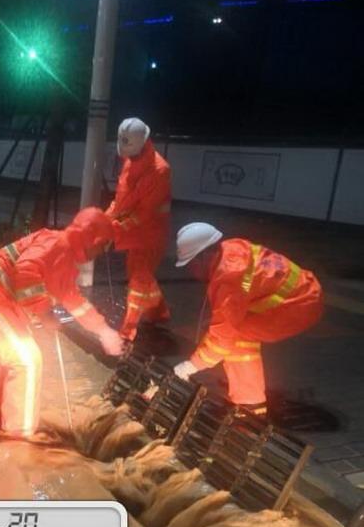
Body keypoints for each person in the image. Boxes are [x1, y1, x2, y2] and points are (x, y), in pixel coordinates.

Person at [0, 208, 125, 438]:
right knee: (27, 360)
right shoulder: (56, 244)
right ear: (92, 239)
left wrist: (104, 331)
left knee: (14, 357)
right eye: (103, 245)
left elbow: (74, 300)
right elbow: (26, 272)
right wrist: (45, 313)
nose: (102, 252)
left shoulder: (64, 255)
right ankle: (19, 435)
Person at [173, 222, 323, 416]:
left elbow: (222, 339)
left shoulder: (228, 280)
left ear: (204, 255)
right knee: (226, 329)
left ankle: (249, 406)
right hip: (305, 292)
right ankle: (242, 384)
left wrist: (192, 365)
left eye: (191, 264)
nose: (191, 271)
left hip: (298, 307)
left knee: (237, 339)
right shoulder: (232, 249)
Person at [105, 117, 172, 341]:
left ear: (143, 143)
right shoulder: (131, 159)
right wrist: (106, 219)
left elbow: (144, 212)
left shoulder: (160, 170)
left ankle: (128, 330)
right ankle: (158, 312)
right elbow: (122, 199)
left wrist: (114, 228)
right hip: (135, 232)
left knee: (138, 280)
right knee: (138, 274)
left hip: (151, 233)